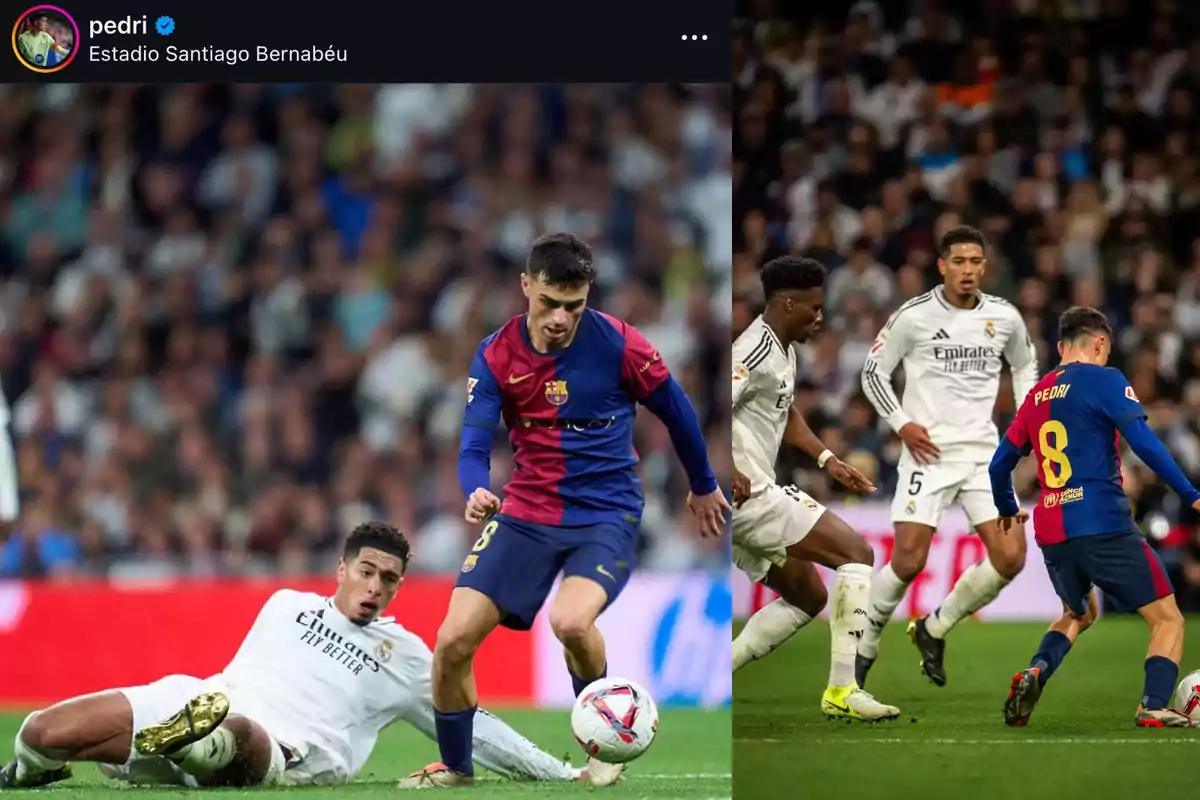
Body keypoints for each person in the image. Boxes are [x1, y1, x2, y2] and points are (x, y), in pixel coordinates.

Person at [406, 232, 728, 788]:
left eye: (573, 306)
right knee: (452, 641)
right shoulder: (496, 353)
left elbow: (677, 410)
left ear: (588, 296)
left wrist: (702, 484)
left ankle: (605, 752)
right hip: (527, 511)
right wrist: (475, 488)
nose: (559, 318)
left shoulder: (620, 344)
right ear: (526, 286)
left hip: (606, 512)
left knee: (571, 621)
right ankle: (457, 769)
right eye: (549, 303)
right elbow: (475, 443)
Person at [0, 522, 601, 789]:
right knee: (40, 729)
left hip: (285, 746)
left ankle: (174, 749)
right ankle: (42, 768)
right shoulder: (285, 604)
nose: (375, 587)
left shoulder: (407, 656)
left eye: (388, 580)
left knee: (234, 734)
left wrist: (563, 772)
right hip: (202, 694)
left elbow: (473, 725)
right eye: (366, 571)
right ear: (341, 569)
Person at [989, 306, 1200, 728]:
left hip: (1052, 528)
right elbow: (1144, 443)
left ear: (1063, 344)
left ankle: (1037, 671)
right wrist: (1190, 493)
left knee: (1078, 612)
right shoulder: (1106, 380)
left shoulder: (1035, 396)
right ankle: (1153, 703)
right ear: (1100, 343)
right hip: (1102, 521)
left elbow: (999, 466)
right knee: (1167, 618)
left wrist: (1008, 507)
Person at [855, 225, 1040, 688]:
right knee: (910, 560)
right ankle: (863, 642)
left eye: (975, 262)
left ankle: (934, 627)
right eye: (958, 261)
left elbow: (1024, 366)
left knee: (1011, 556)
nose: (967, 270)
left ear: (984, 266)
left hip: (984, 457)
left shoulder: (1005, 317)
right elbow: (873, 373)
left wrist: (1025, 421)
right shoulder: (913, 316)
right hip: (928, 454)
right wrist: (903, 424)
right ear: (941, 266)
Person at [730, 255, 899, 722]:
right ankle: (843, 691)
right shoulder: (752, 351)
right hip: (748, 496)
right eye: (814, 308)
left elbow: (783, 412)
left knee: (810, 597)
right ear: (787, 305)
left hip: (745, 498)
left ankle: (718, 675)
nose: (820, 317)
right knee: (857, 555)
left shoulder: (782, 348)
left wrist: (828, 459)